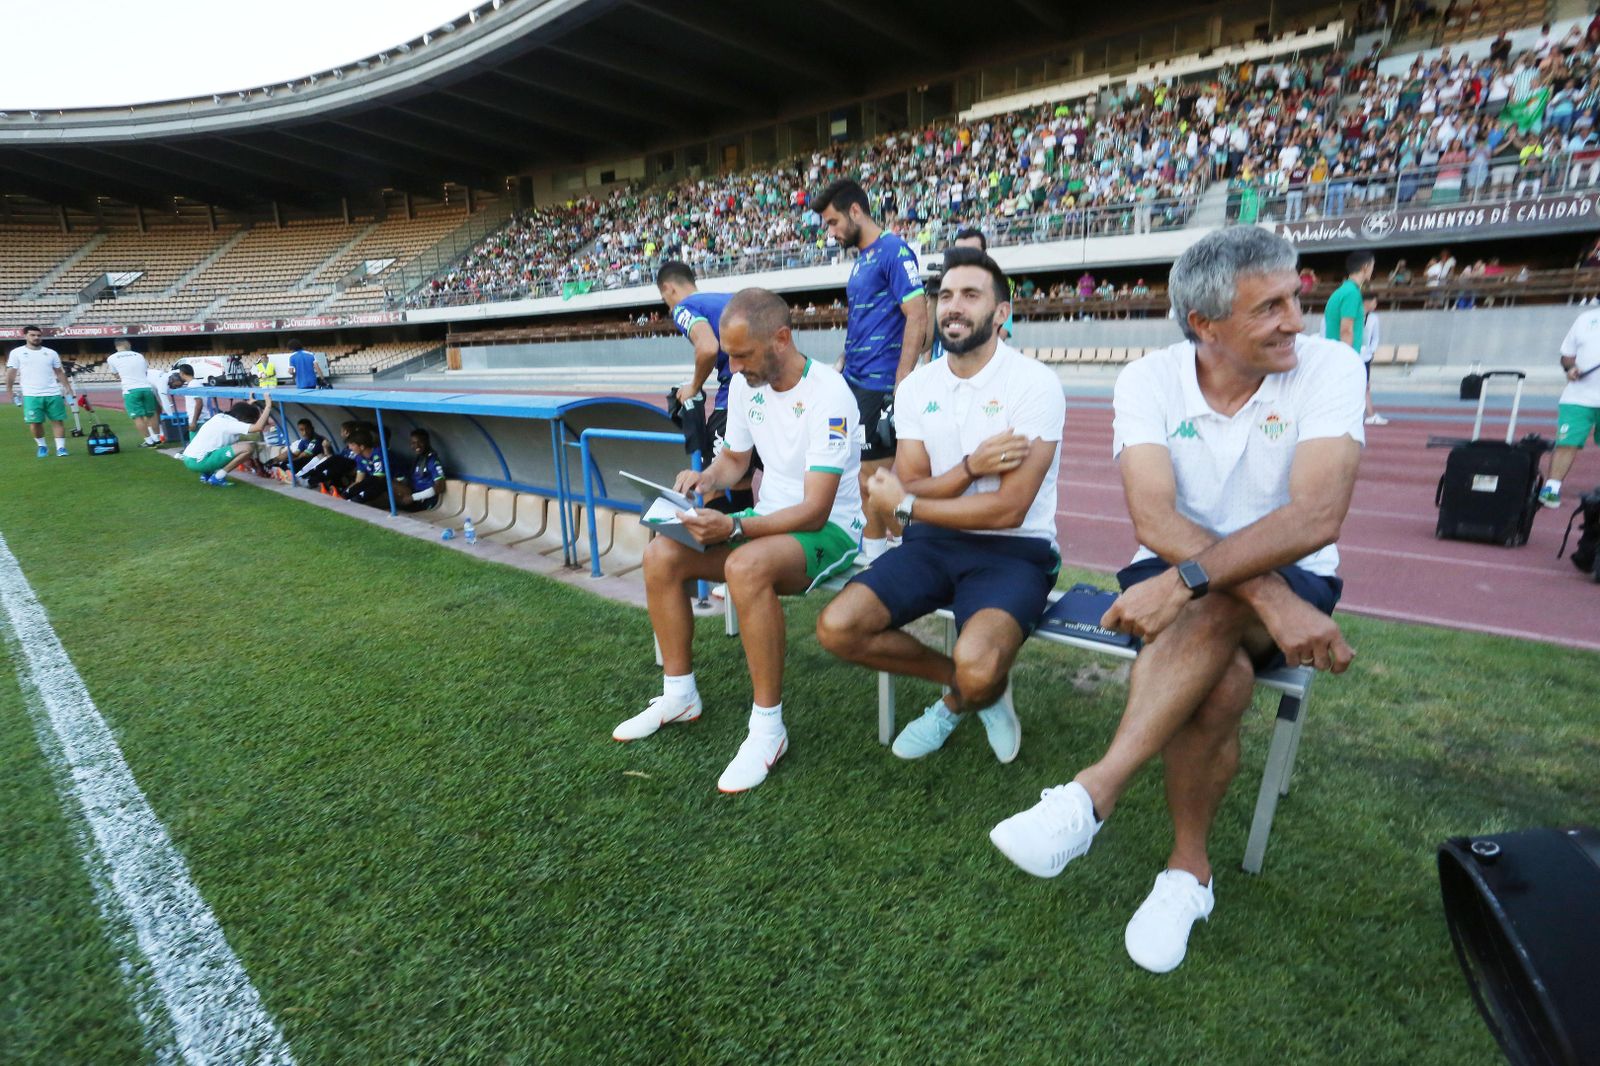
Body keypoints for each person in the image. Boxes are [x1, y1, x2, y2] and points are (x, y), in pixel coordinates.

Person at [988, 227, 1364, 975]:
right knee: (1220, 681)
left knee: (1216, 604)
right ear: (1205, 324)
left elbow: (1314, 518)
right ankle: (1188, 873)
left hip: (1275, 571)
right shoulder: (1149, 379)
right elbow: (1154, 521)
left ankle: (1093, 794)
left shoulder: (1330, 366)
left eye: (1296, 298)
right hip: (1177, 569)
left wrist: (1209, 581)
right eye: (1271, 308)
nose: (1297, 319)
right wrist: (1259, 594)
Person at [815, 248, 1065, 763]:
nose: (953, 306)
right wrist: (969, 470)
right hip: (932, 545)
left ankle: (956, 701)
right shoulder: (918, 388)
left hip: (1013, 551)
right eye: (946, 295)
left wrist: (909, 502)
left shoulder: (1034, 384)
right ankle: (972, 686)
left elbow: (1007, 510)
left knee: (980, 660)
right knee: (837, 628)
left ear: (1000, 313)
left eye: (971, 295)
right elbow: (912, 482)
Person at [612, 288, 864, 793]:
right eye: (729, 354)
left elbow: (815, 509)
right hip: (770, 517)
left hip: (831, 529)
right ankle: (679, 694)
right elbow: (735, 463)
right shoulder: (749, 384)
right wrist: (702, 480)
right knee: (663, 554)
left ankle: (768, 730)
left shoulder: (830, 393)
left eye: (743, 354)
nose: (734, 365)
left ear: (782, 339)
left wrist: (736, 526)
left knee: (744, 566)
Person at [815, 178, 929, 564]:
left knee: (872, 479)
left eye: (833, 223)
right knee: (862, 480)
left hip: (881, 384)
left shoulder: (893, 250)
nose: (831, 233)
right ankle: (879, 555)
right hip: (854, 379)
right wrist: (843, 363)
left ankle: (916, 547)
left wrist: (902, 382)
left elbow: (917, 313)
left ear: (856, 211)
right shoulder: (863, 258)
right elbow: (862, 319)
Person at [655, 260, 755, 512]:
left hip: (735, 395)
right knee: (741, 480)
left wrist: (694, 385)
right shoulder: (728, 300)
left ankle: (717, 548)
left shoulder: (684, 308)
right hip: (764, 393)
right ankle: (747, 542)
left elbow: (708, 347)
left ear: (668, 288)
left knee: (711, 483)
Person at [1538, 303, 1600, 508]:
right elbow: (1567, 356)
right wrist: (1571, 368)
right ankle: (1551, 488)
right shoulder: (1585, 319)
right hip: (1577, 397)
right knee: (1567, 443)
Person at [5, 326, 71, 457]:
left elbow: (59, 372)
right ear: (25, 336)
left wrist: (67, 387)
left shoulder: (51, 353)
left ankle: (61, 448)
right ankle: (42, 446)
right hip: (31, 394)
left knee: (58, 421)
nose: (36, 338)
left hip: (53, 392)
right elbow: (11, 373)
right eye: (32, 335)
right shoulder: (16, 353)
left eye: (38, 335)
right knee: (35, 423)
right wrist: (9, 390)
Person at [180, 395, 273, 486]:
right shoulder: (232, 423)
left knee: (222, 446)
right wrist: (268, 406)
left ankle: (206, 475)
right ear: (245, 418)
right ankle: (218, 477)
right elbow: (258, 427)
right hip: (199, 462)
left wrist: (249, 405)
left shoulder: (220, 417)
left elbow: (241, 412)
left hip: (189, 458)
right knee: (247, 448)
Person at [952, 228, 1014, 341]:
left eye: (972, 252)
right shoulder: (942, 288)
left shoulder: (998, 288)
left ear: (984, 254)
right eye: (959, 253)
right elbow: (927, 342)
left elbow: (1002, 334)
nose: (965, 258)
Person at [105, 339, 164, 447]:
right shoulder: (138, 355)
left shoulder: (112, 358)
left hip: (130, 389)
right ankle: (157, 438)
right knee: (152, 414)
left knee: (138, 417)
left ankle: (149, 440)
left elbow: (116, 374)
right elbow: (145, 371)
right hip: (146, 387)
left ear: (117, 346)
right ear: (127, 344)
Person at [1323, 250, 1374, 356]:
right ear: (1365, 267)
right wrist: (1348, 361)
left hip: (1334, 354)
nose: (1372, 270)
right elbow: (1346, 330)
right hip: (1344, 358)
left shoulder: (1341, 291)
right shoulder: (1352, 293)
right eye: (1372, 266)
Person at [397, 429, 447, 512]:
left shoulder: (432, 460)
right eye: (413, 443)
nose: (417, 445)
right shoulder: (418, 459)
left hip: (426, 501)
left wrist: (413, 497)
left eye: (420, 442)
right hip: (415, 497)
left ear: (427, 442)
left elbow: (440, 486)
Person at [1359, 294, 1389, 426]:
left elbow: (1375, 337)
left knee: (1365, 386)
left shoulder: (1373, 318)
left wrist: (1371, 351)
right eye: (1374, 302)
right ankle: (1367, 414)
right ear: (1367, 302)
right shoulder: (1353, 315)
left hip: (1365, 357)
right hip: (1352, 355)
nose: (1375, 305)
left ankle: (1370, 415)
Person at [342, 427, 389, 507]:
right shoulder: (359, 457)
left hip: (393, 482)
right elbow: (359, 481)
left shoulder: (378, 453)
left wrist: (352, 492)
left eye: (352, 445)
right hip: (375, 482)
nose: (350, 448)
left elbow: (379, 477)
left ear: (362, 447)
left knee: (373, 482)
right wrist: (345, 493)